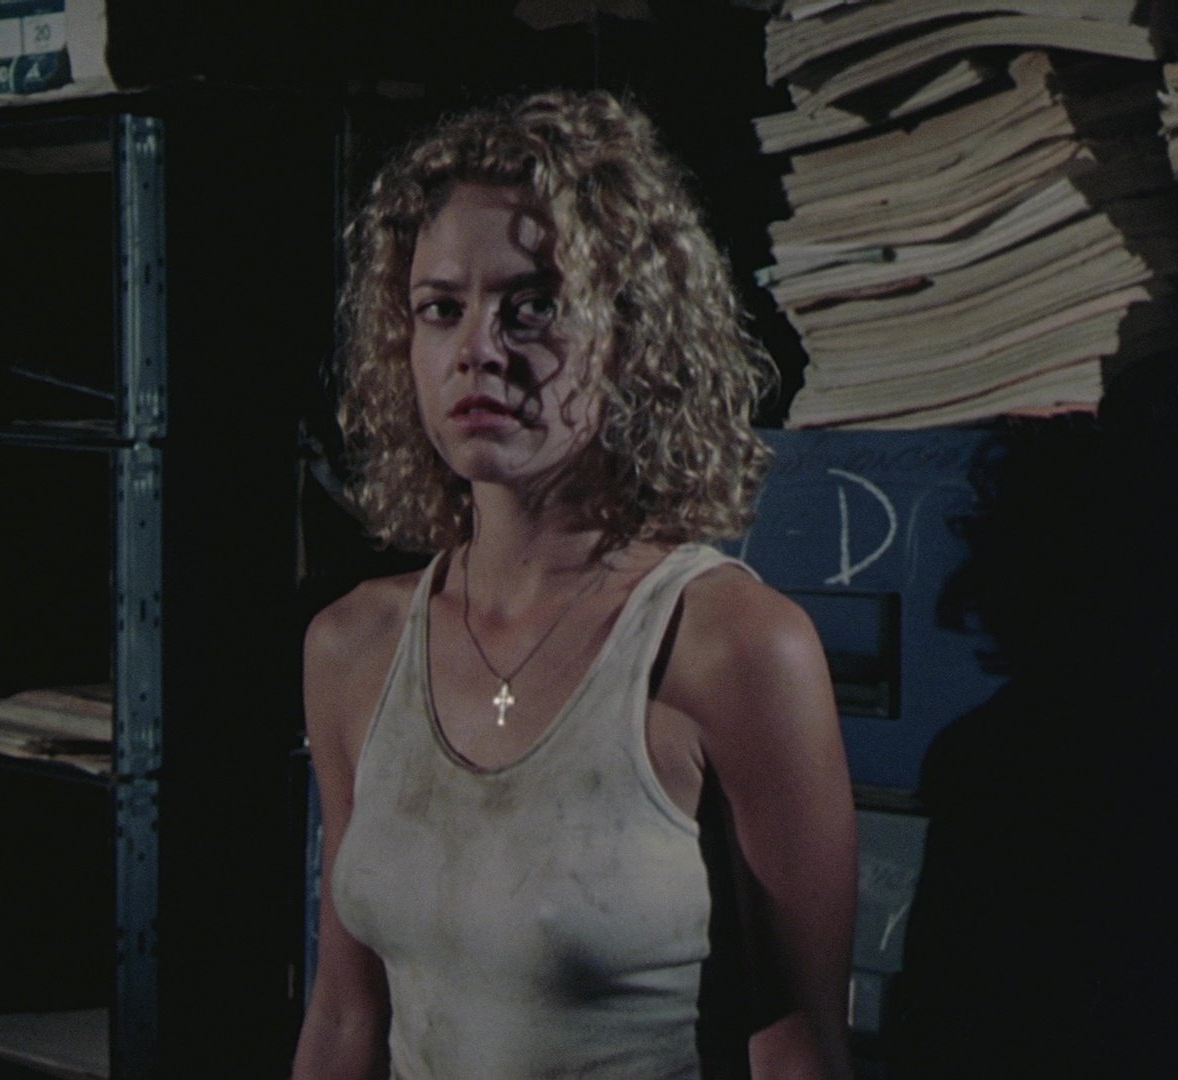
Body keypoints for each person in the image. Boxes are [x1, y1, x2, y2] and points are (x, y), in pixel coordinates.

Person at [292, 90, 857, 1080]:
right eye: (441, 309)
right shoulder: (354, 647)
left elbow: (798, 1045)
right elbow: (347, 1013)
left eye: (536, 305)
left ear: (631, 335)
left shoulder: (732, 645)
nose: (480, 349)